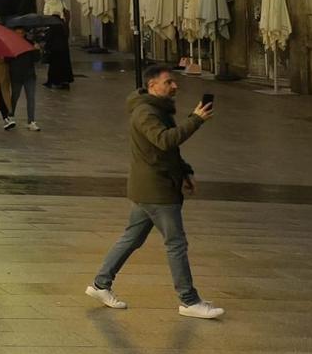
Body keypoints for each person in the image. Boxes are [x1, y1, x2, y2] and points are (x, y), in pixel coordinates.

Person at [86, 65, 223, 318]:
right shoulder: (145, 112)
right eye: (168, 82)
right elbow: (165, 140)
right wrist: (195, 120)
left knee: (132, 238)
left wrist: (185, 171)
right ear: (152, 85)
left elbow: (168, 151)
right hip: (156, 188)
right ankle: (189, 301)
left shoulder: (157, 109)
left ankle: (100, 284)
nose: (175, 86)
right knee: (176, 243)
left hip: (151, 185)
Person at [4, 42, 41, 131]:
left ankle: (31, 121)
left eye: (21, 32)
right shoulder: (11, 43)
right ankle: (11, 116)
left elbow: (36, 59)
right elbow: (7, 60)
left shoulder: (29, 44)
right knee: (15, 96)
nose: (19, 34)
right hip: (16, 76)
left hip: (29, 76)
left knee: (31, 98)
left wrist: (37, 50)